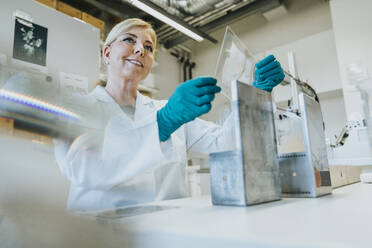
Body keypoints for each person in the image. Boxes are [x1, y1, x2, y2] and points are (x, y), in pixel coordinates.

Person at [54, 18, 285, 212]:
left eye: (148, 47)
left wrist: (255, 94)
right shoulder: (78, 107)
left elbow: (227, 142)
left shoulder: (166, 110)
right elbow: (84, 169)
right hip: (100, 236)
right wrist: (162, 125)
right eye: (129, 40)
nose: (139, 50)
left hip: (167, 232)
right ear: (107, 52)